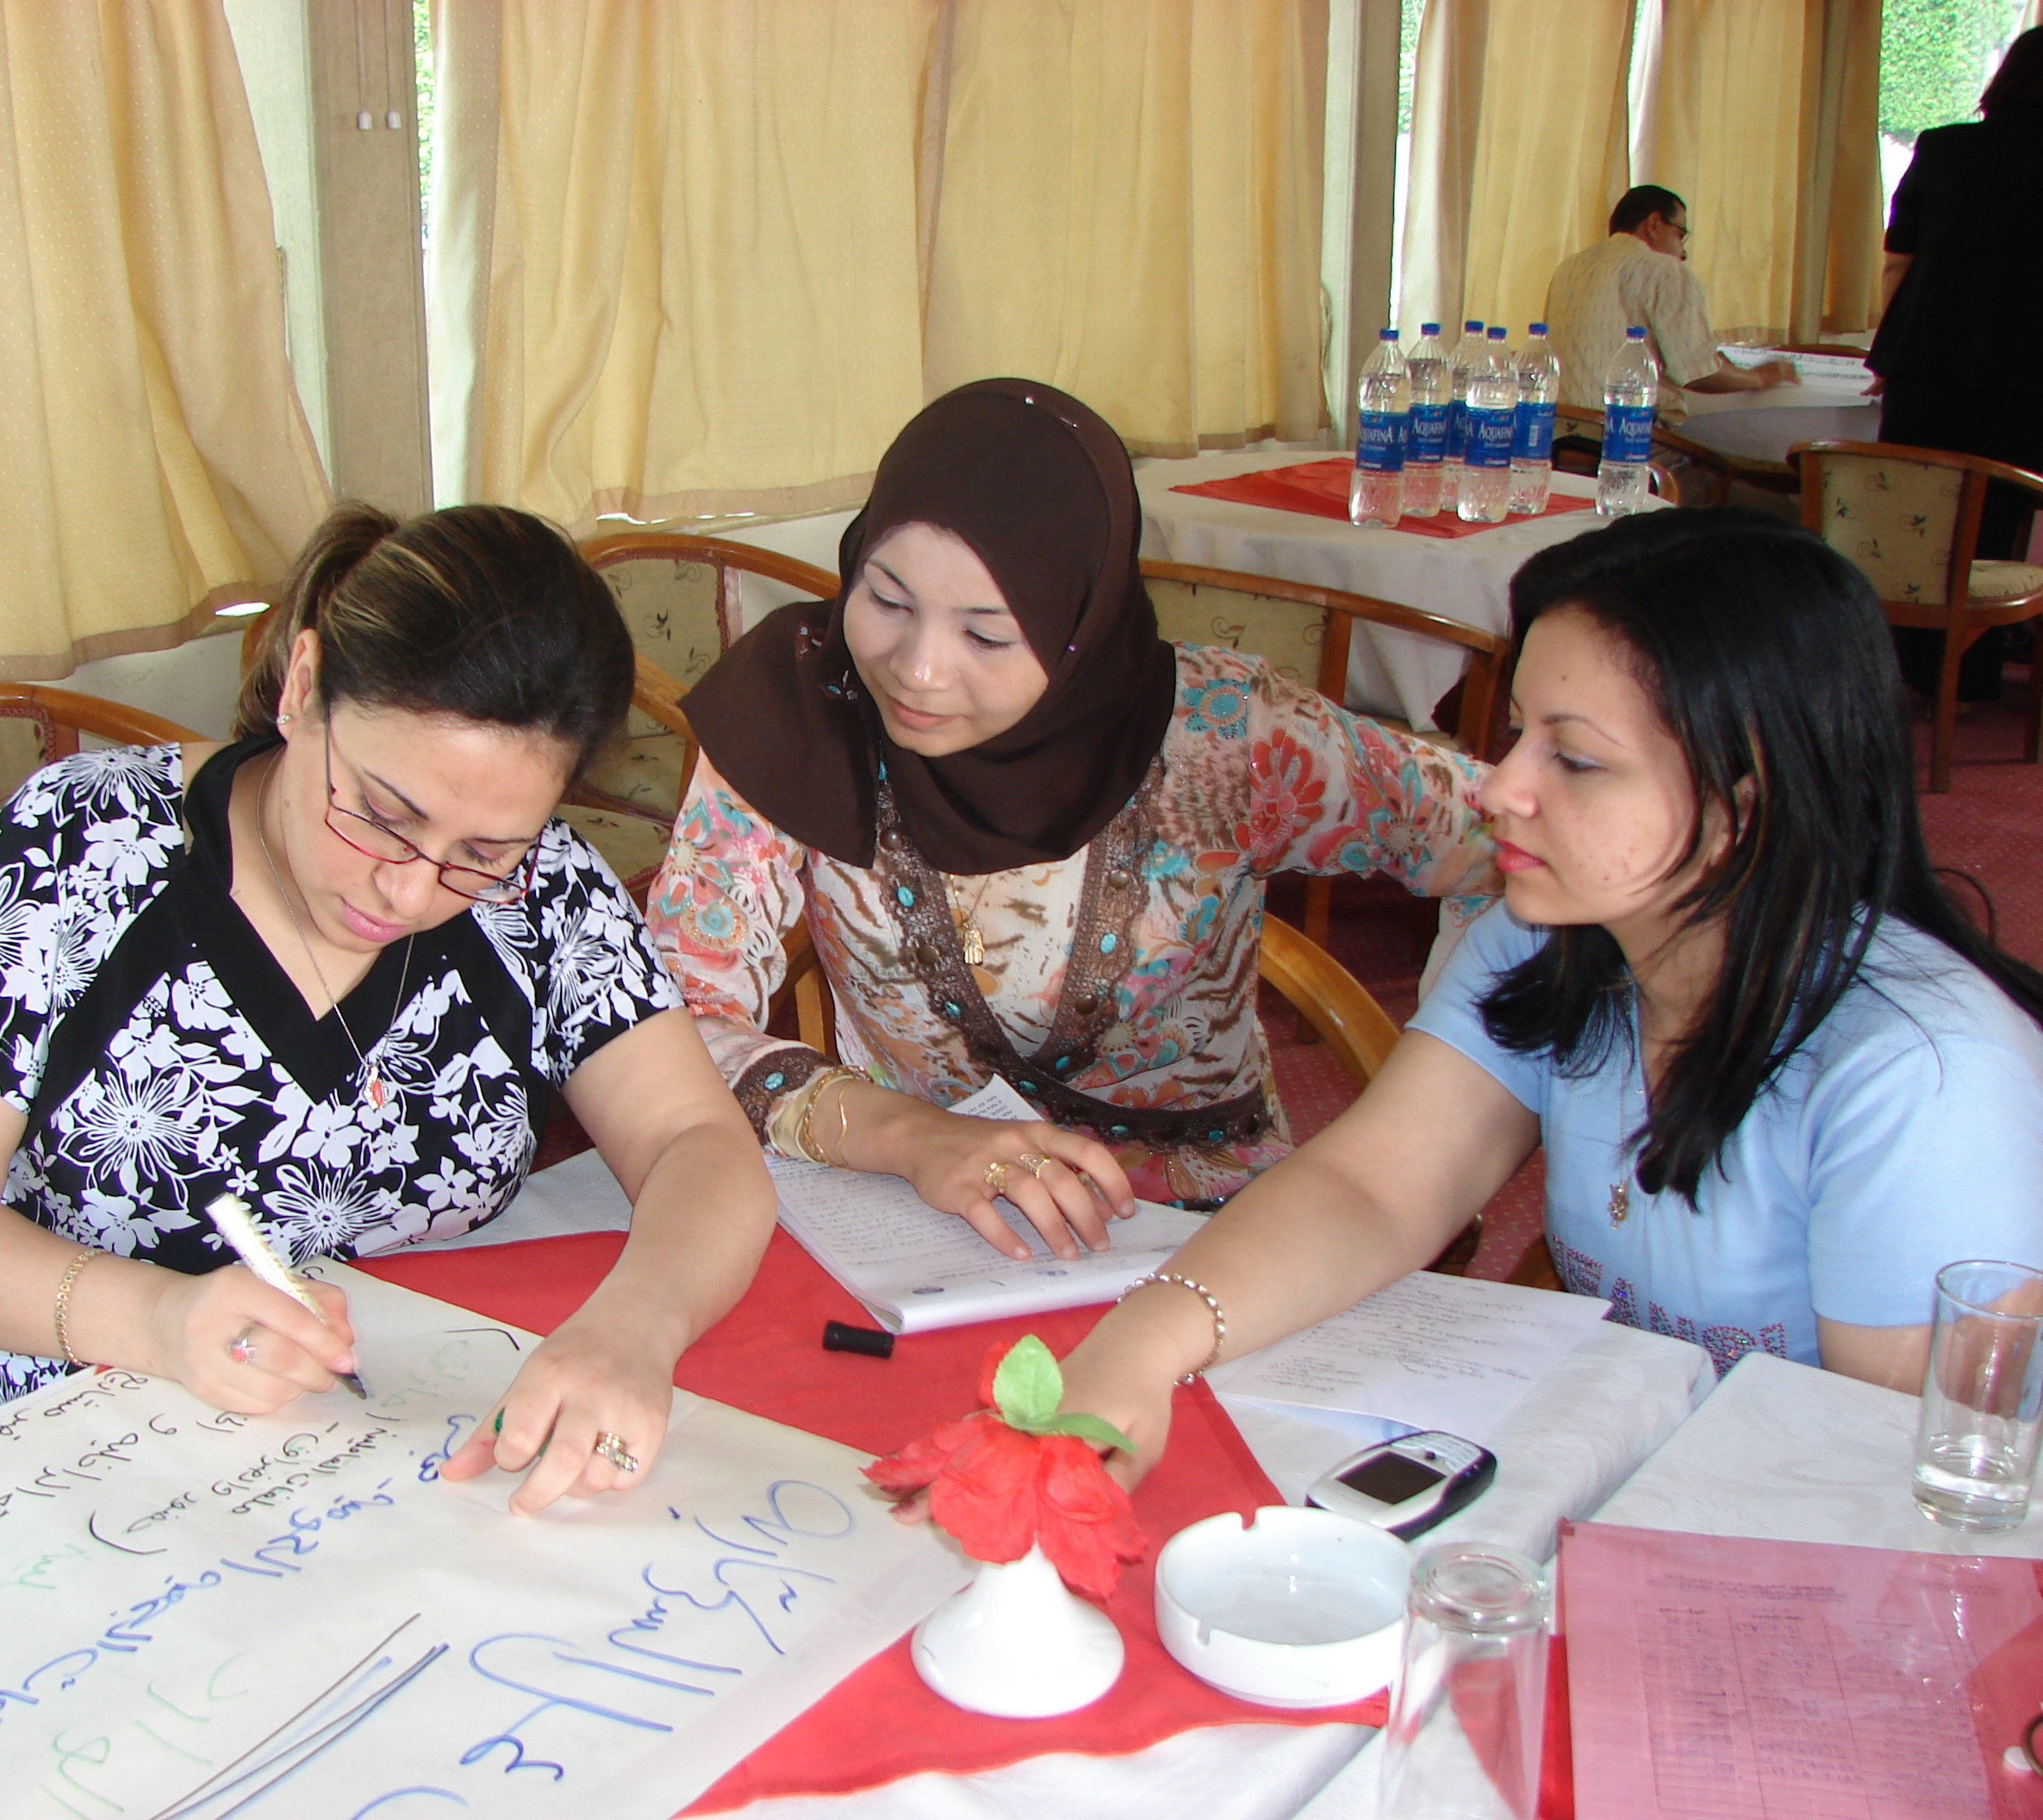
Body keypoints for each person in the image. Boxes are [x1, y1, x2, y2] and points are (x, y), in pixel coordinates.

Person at [1050, 508, 2043, 1484]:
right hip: (1643, 1464)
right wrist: (1147, 1339)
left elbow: (1890, 1473)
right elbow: (1375, 1187)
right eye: (1519, 732)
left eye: (1573, 759)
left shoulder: (1923, 1079)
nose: (1497, 788)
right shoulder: (1557, 937)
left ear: (1742, 806)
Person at [0, 502, 776, 1513]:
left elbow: (695, 1141)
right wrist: (156, 1320)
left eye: (482, 850)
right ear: (301, 687)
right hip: (39, 1474)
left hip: (372, 1480)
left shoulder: (543, 894)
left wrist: (635, 1328)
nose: (407, 892)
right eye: (380, 814)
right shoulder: (82, 846)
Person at [642, 378, 1497, 1258]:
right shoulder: (800, 707)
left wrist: (1436, 1135)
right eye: (887, 600)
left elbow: (1504, 838)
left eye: (986, 635)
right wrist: (904, 1134)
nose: (917, 670)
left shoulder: (1230, 737)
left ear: (1079, 627)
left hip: (1208, 1238)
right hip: (927, 1223)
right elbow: (661, 1020)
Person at [1866, 28, 2043, 700]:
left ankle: (1892, 665)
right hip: (2027, 373)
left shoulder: (1944, 148)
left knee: (1909, 518)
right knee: (1994, 525)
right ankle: (1967, 675)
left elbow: (1899, 261)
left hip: (1928, 357)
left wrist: (1888, 348)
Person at [1543, 185, 1798, 426]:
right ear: (1654, 224)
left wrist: (1715, 360)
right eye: (1680, 235)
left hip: (1554, 430)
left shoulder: (1570, 267)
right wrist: (1762, 376)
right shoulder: (1663, 269)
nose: (1683, 253)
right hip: (1621, 434)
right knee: (1720, 455)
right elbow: (1699, 375)